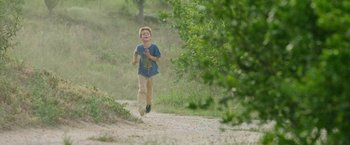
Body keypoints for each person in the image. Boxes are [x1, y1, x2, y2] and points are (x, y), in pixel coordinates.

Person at [132, 26, 161, 116]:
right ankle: (141, 108)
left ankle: (148, 104)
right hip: (142, 72)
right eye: (143, 34)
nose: (146, 35)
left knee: (149, 90)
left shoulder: (154, 47)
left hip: (152, 72)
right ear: (141, 37)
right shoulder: (139, 47)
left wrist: (149, 56)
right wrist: (134, 59)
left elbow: (158, 59)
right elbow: (135, 52)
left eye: (147, 34)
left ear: (150, 36)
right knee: (142, 89)